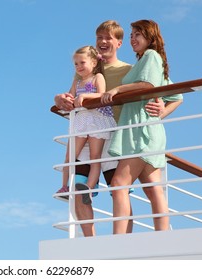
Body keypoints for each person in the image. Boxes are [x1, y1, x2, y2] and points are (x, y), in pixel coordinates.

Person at [54, 20, 182, 237]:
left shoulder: (132, 68)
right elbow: (71, 94)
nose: (103, 42)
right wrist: (59, 98)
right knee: (78, 188)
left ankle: (123, 239)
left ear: (119, 43)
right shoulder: (84, 68)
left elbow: (164, 89)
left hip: (117, 134)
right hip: (86, 132)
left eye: (108, 38)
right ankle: (91, 241)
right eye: (99, 38)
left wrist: (160, 106)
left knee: (118, 189)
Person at [101, 19, 183, 234]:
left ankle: (119, 239)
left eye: (137, 34)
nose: (132, 39)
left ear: (150, 37)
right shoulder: (147, 61)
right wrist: (161, 113)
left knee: (119, 183)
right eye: (131, 35)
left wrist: (118, 89)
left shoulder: (151, 56)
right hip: (144, 129)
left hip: (140, 131)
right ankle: (163, 234)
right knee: (153, 188)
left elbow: (149, 86)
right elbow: (176, 96)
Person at [56, 46, 116, 208]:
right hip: (81, 120)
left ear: (94, 61)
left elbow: (101, 94)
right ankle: (64, 186)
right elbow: (70, 95)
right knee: (70, 156)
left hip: (97, 119)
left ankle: (89, 188)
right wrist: (67, 97)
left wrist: (84, 96)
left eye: (82, 62)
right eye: (75, 64)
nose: (79, 67)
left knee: (95, 157)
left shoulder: (98, 77)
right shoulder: (77, 81)